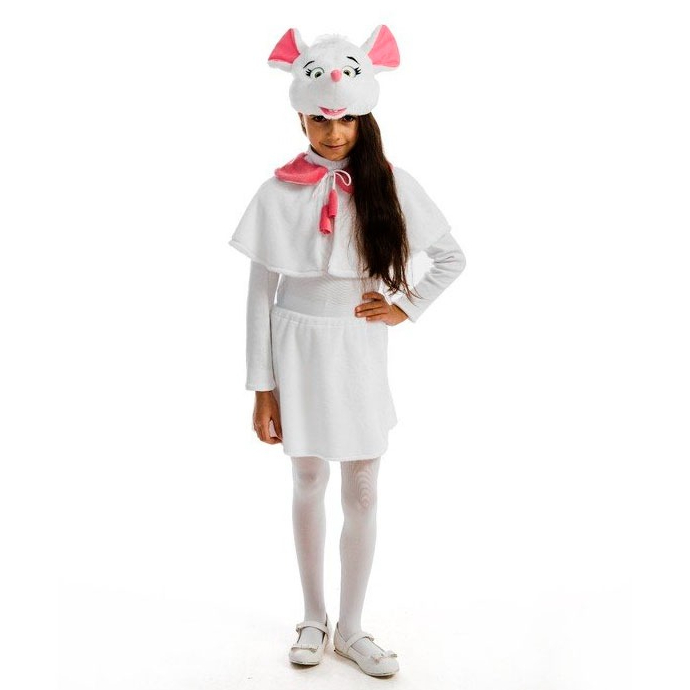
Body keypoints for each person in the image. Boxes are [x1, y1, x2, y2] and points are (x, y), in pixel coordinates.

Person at [228, 25, 466, 677]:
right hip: (295, 344)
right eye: (320, 120)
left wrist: (405, 305)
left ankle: (352, 626)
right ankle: (313, 616)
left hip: (357, 347)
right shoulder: (277, 191)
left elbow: (450, 258)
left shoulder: (393, 184)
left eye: (346, 120)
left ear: (364, 118)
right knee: (308, 479)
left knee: (362, 486)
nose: (333, 134)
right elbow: (259, 292)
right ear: (301, 118)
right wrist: (262, 386)